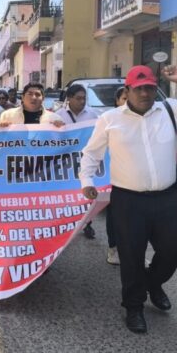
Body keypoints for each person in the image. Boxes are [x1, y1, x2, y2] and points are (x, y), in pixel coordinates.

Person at [80, 65, 177, 334]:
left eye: (150, 88)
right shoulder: (110, 119)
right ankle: (134, 307)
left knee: (174, 247)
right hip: (128, 201)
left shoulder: (171, 111)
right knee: (131, 256)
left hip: (167, 199)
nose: (145, 93)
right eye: (139, 88)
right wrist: (87, 182)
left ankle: (153, 283)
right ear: (128, 90)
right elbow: (91, 154)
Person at [60, 84, 101, 240]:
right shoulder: (58, 116)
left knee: (86, 193)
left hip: (86, 159)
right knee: (69, 195)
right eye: (78, 98)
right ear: (69, 98)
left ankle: (87, 223)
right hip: (66, 162)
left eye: (84, 98)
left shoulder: (92, 115)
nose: (82, 101)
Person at [105, 86, 128, 266]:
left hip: (135, 180)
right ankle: (114, 249)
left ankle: (134, 252)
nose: (128, 102)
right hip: (113, 177)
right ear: (117, 101)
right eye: (124, 99)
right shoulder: (108, 120)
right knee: (115, 216)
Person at [0, 82, 65, 127]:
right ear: (22, 97)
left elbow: (62, 144)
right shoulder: (7, 116)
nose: (33, 97)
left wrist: (61, 129)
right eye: (30, 94)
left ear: (43, 98)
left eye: (37, 94)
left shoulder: (54, 118)